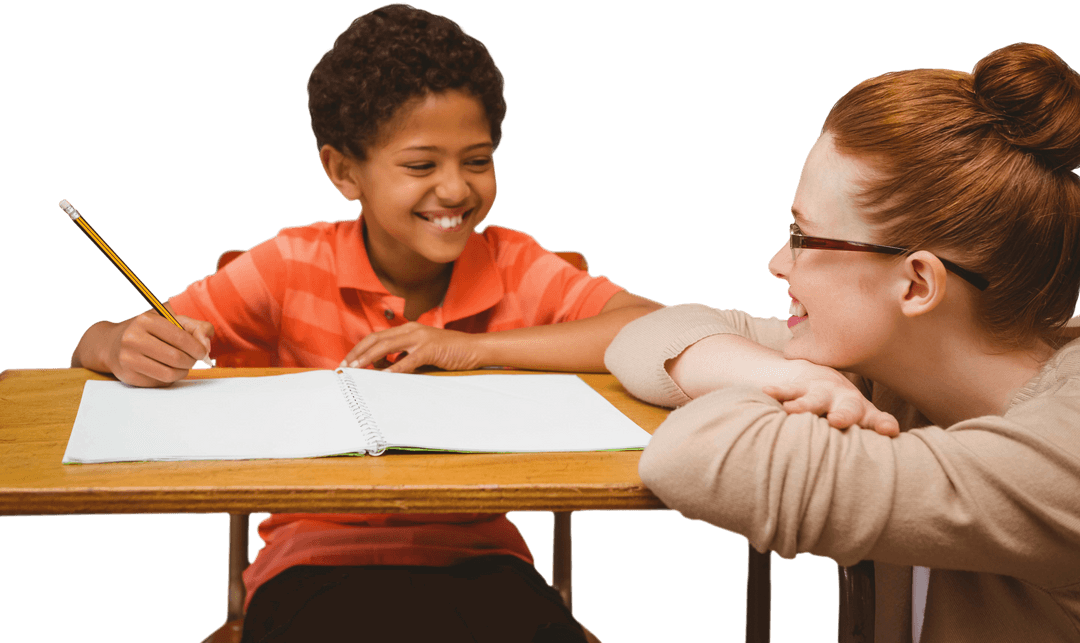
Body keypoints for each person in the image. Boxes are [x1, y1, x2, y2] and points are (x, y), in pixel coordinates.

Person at [70, 4, 660, 641]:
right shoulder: (289, 266)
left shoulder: (515, 264)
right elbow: (97, 343)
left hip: (479, 563)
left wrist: (472, 347)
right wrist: (117, 343)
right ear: (343, 170)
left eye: (478, 160)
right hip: (315, 565)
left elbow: (652, 327)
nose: (457, 190)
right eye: (421, 165)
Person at [605, 42, 1080, 642]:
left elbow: (691, 457)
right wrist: (792, 378)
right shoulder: (896, 371)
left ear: (915, 284)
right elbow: (649, 335)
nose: (778, 263)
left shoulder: (1066, 457)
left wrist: (778, 378)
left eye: (805, 237)